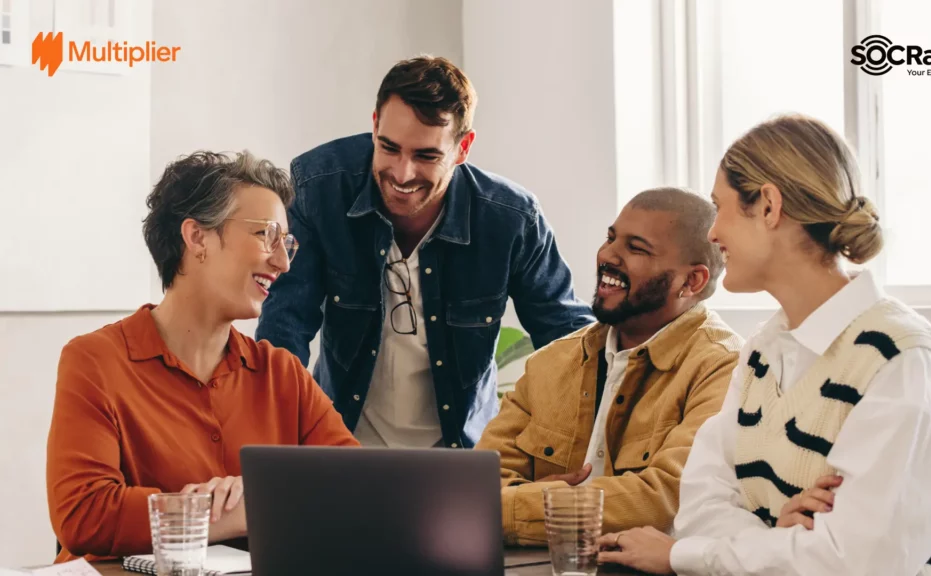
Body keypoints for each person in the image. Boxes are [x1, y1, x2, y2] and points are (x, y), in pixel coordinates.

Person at [598, 115, 931, 575]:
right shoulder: (763, 351)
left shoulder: (897, 354)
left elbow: (855, 563)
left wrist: (683, 556)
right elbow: (699, 506)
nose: (713, 234)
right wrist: (780, 539)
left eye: (721, 208)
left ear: (769, 206)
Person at [255, 55, 593, 449]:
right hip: (342, 447)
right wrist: (278, 449)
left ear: (463, 147)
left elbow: (570, 345)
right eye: (389, 147)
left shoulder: (512, 220)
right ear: (375, 125)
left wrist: (555, 454)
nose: (402, 173)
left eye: (426, 156)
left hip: (460, 456)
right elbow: (285, 328)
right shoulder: (320, 187)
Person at [47, 151, 359, 563]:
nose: (283, 262)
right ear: (197, 238)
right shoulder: (94, 362)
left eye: (287, 243)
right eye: (266, 235)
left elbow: (358, 491)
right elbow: (83, 514)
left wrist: (255, 501)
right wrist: (224, 515)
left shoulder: (283, 374)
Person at [475, 187, 742, 545]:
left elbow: (664, 497)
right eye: (611, 238)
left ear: (691, 281)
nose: (608, 256)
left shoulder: (723, 367)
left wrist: (538, 504)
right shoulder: (552, 362)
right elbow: (482, 482)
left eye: (636, 248)